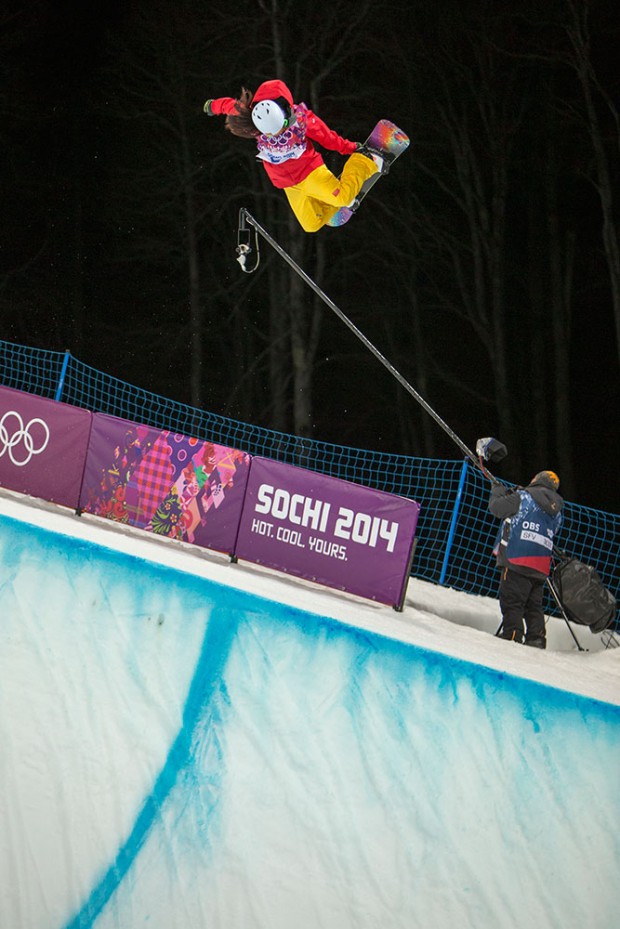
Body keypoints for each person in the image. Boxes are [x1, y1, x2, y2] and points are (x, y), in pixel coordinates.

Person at [203, 79, 382, 233]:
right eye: (269, 132)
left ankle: (363, 162)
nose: (274, 135)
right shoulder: (253, 118)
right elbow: (230, 106)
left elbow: (327, 137)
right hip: (289, 185)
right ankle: (336, 200)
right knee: (311, 225)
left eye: (278, 129)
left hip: (310, 173)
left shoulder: (302, 120)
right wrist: (212, 106)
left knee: (343, 197)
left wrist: (351, 148)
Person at [488, 470, 564, 648]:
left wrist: (498, 491)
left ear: (535, 480)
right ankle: (536, 639)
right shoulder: (558, 510)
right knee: (533, 605)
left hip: (517, 557)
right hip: (541, 563)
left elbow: (496, 508)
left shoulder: (523, 497)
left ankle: (512, 635)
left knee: (512, 600)